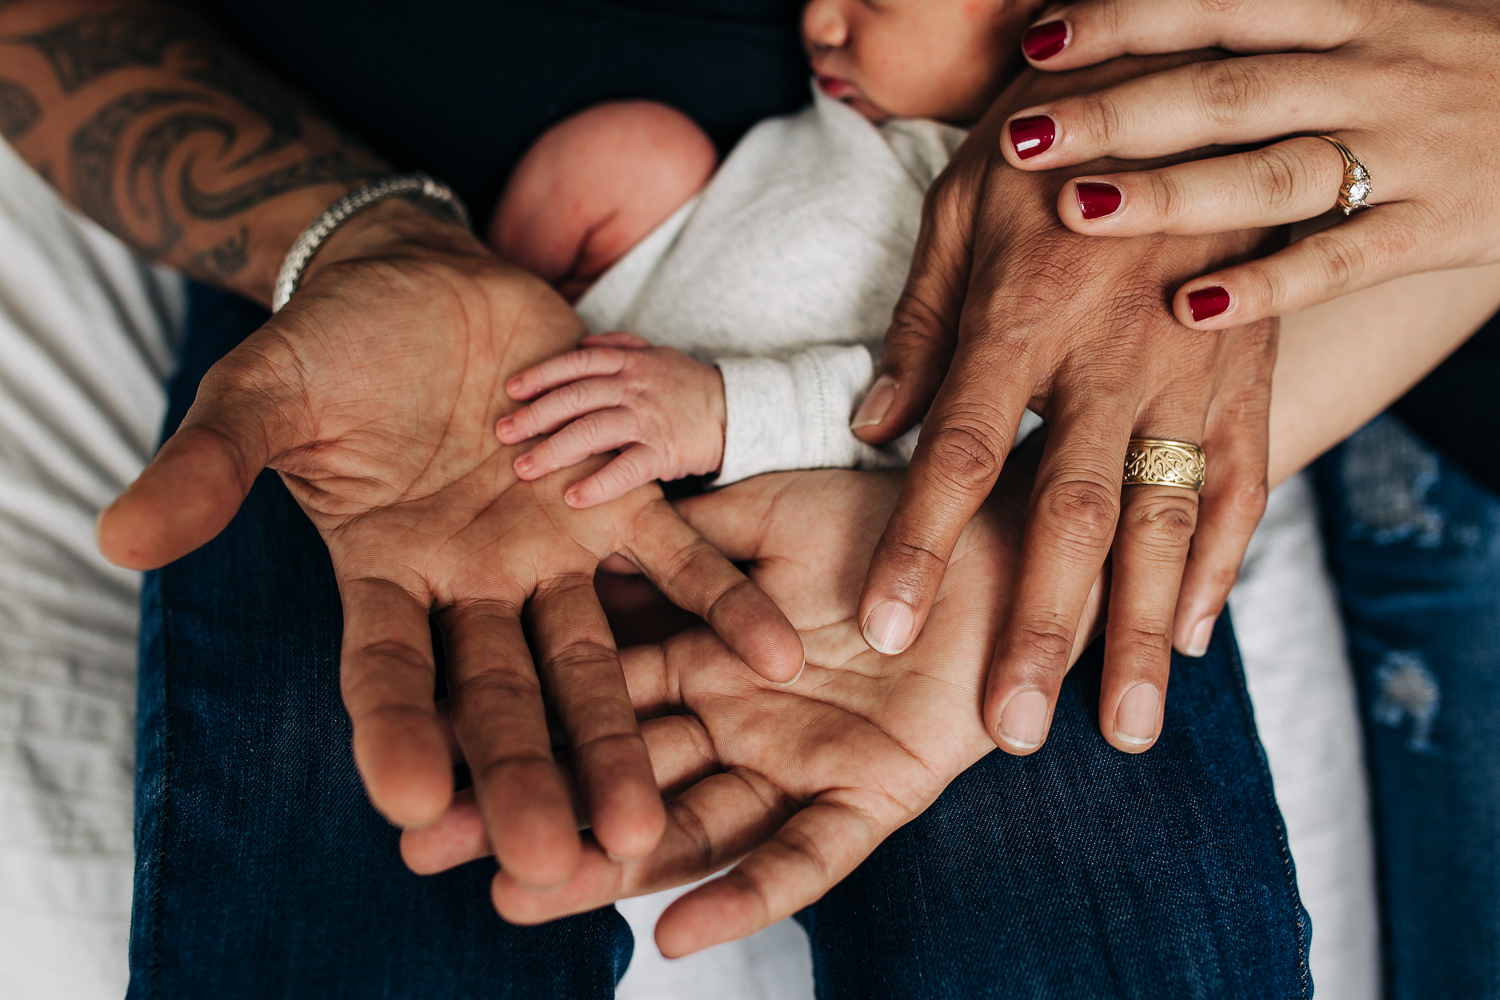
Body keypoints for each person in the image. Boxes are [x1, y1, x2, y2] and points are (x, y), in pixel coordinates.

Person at [0, 0, 1496, 996]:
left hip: (1026, 344)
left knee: (1088, 875)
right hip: (395, 264)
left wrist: (1111, 372)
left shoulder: (1033, 175)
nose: (819, 20)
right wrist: (352, 240)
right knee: (386, 871)